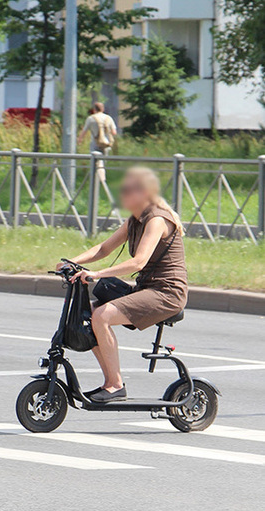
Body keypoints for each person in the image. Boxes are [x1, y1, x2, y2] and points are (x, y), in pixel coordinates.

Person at [56, 167, 187, 403]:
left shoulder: (156, 219)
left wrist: (96, 273)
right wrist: (71, 262)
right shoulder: (135, 220)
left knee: (103, 315)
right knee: (91, 313)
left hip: (167, 292)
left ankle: (116, 386)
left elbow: (139, 261)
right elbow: (104, 248)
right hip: (148, 289)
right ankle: (110, 383)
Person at [78, 102, 117, 182]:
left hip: (95, 143)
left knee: (95, 162)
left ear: (94, 109)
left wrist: (80, 139)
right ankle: (102, 180)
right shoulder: (108, 118)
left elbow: (84, 131)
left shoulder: (91, 118)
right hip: (106, 144)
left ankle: (97, 180)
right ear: (103, 109)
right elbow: (114, 132)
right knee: (102, 162)